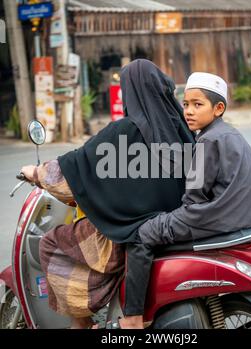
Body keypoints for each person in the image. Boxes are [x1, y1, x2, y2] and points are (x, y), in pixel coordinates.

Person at [20, 59, 194, 329]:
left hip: (132, 232)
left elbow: (73, 170)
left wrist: (35, 173)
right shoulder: (182, 129)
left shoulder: (123, 131)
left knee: (52, 242)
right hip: (174, 225)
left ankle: (83, 323)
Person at [119, 72, 251, 329]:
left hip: (213, 219)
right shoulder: (231, 135)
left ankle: (133, 319)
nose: (189, 111)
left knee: (140, 234)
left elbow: (194, 199)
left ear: (218, 108)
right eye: (186, 104)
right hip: (245, 218)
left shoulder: (208, 140)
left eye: (198, 105)